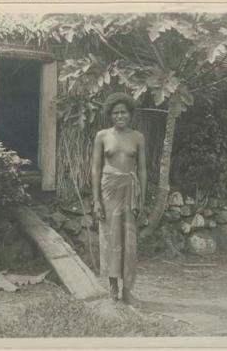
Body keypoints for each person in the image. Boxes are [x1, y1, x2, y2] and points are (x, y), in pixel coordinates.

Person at [91, 92, 147, 304]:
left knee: (129, 240)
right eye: (116, 113)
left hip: (130, 190)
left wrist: (141, 197)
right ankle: (112, 286)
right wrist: (96, 200)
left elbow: (142, 169)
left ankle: (127, 290)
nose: (120, 116)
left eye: (123, 112)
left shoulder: (138, 137)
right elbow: (96, 169)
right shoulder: (102, 136)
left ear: (130, 114)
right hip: (109, 190)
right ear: (110, 115)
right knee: (110, 237)